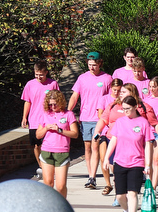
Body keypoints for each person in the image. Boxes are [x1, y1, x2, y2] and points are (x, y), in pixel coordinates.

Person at [102, 95, 154, 212]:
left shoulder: (143, 123)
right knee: (120, 195)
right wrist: (107, 158)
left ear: (135, 107)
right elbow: (113, 140)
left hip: (137, 162)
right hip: (120, 161)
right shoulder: (119, 122)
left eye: (128, 109)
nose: (125, 111)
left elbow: (148, 144)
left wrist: (148, 165)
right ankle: (125, 211)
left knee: (132, 193)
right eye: (123, 109)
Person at [67, 52, 113, 191]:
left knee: (95, 147)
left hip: (100, 119)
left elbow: (112, 97)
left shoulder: (107, 78)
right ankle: (90, 175)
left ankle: (92, 177)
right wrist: (67, 112)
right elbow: (75, 96)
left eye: (94, 65)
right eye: (89, 65)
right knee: (87, 148)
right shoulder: (82, 78)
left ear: (100, 63)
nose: (92, 67)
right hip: (85, 118)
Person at [36, 90, 79, 198]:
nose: (53, 106)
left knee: (60, 186)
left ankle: (63, 206)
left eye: (55, 104)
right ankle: (50, 208)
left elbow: (75, 134)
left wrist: (59, 130)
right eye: (50, 104)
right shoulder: (46, 114)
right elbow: (38, 135)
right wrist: (46, 128)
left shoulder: (68, 114)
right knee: (48, 184)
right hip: (47, 151)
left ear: (61, 102)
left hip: (62, 152)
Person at [20, 60, 59, 178]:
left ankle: (50, 166)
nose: (38, 77)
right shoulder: (30, 84)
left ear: (46, 72)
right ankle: (42, 166)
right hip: (34, 120)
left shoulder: (53, 84)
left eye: (41, 74)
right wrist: (24, 117)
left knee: (49, 145)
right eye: (36, 74)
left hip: (49, 119)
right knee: (37, 146)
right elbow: (28, 101)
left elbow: (58, 101)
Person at [93, 78, 125, 196]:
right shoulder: (106, 100)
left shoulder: (125, 100)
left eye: (119, 90)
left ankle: (119, 183)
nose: (116, 92)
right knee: (104, 158)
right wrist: (99, 130)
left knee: (116, 161)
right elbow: (101, 116)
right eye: (114, 90)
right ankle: (108, 183)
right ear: (111, 88)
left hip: (119, 135)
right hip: (105, 131)